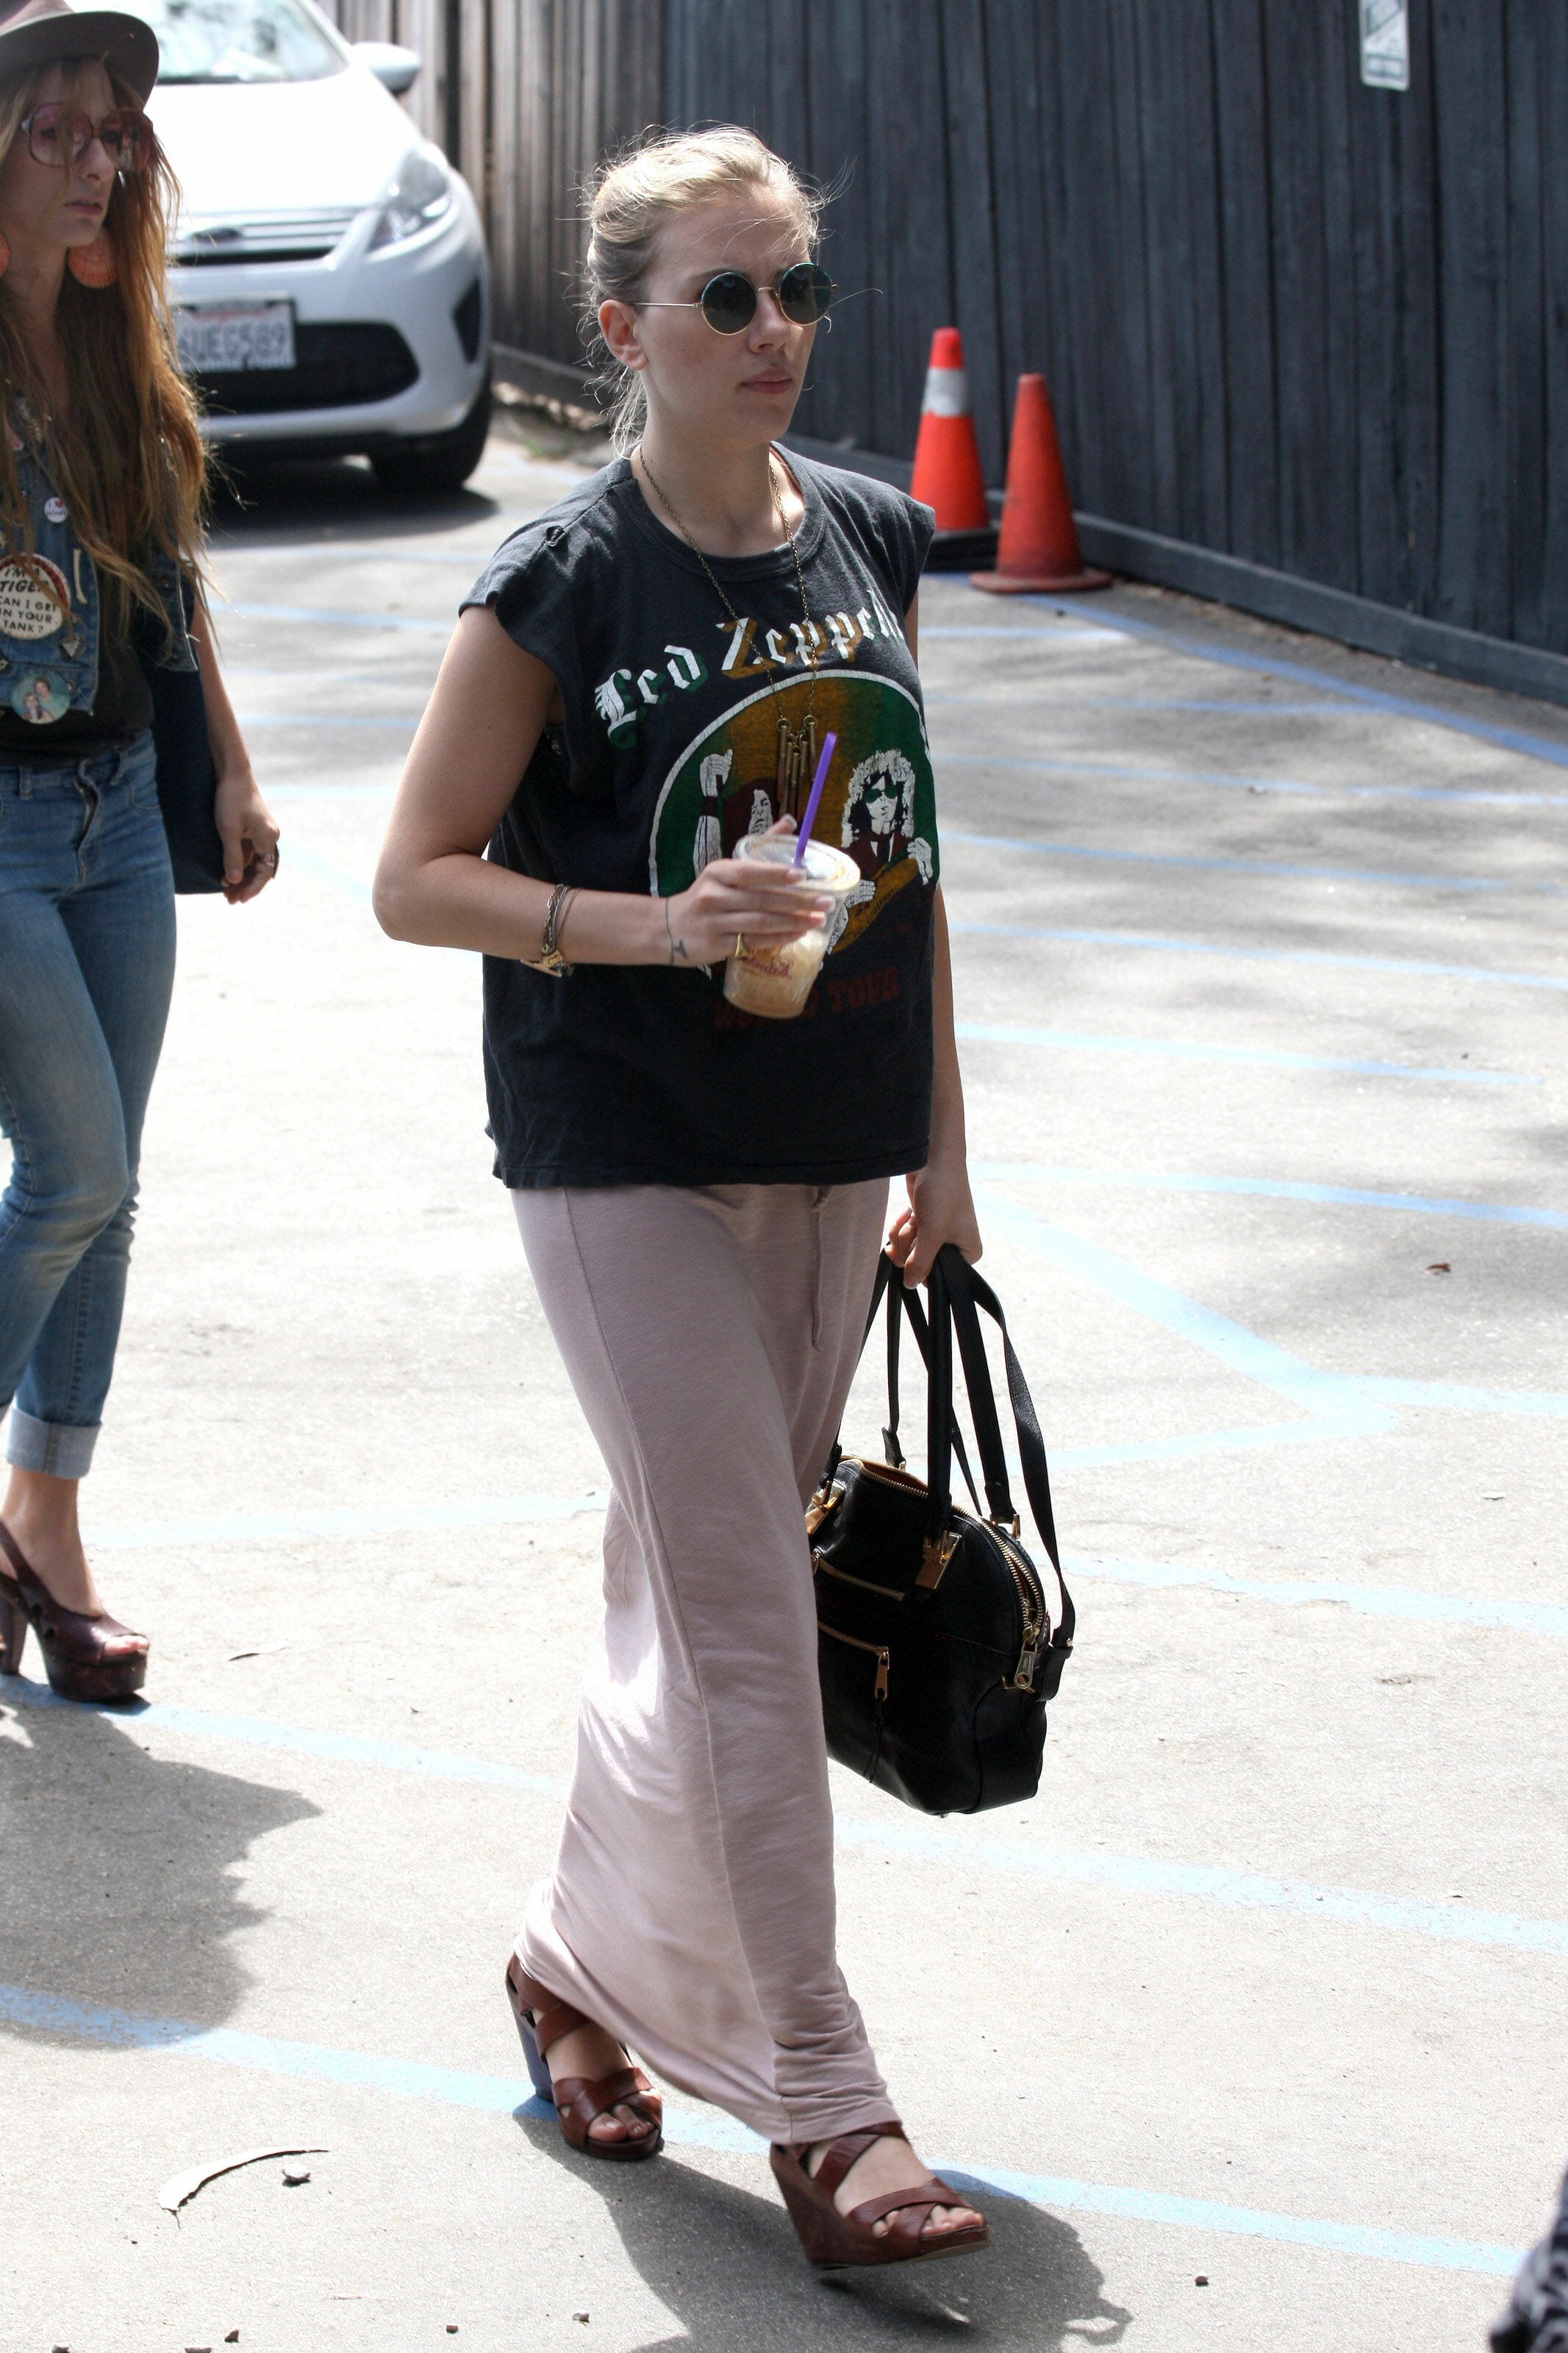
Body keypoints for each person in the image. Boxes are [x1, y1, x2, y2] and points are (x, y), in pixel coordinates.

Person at [373, 126, 987, 2269]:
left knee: (688, 1593)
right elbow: (411, 877)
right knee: (739, 1614)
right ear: (624, 332)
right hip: (619, 1142)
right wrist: (654, 928)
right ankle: (824, 2103)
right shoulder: (560, 581)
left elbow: (907, 866)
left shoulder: (870, 536)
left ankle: (566, 1965)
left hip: (834, 1138)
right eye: (723, 296)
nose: (772, 331)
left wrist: (944, 1149)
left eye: (793, 287)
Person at [0, 0, 278, 1704]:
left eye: (114, 134)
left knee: (105, 1193)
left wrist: (228, 766)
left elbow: (169, 580)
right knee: (75, 1170)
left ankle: (45, 1525)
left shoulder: (113, 344)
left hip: (113, 806)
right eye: (57, 131)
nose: (95, 163)